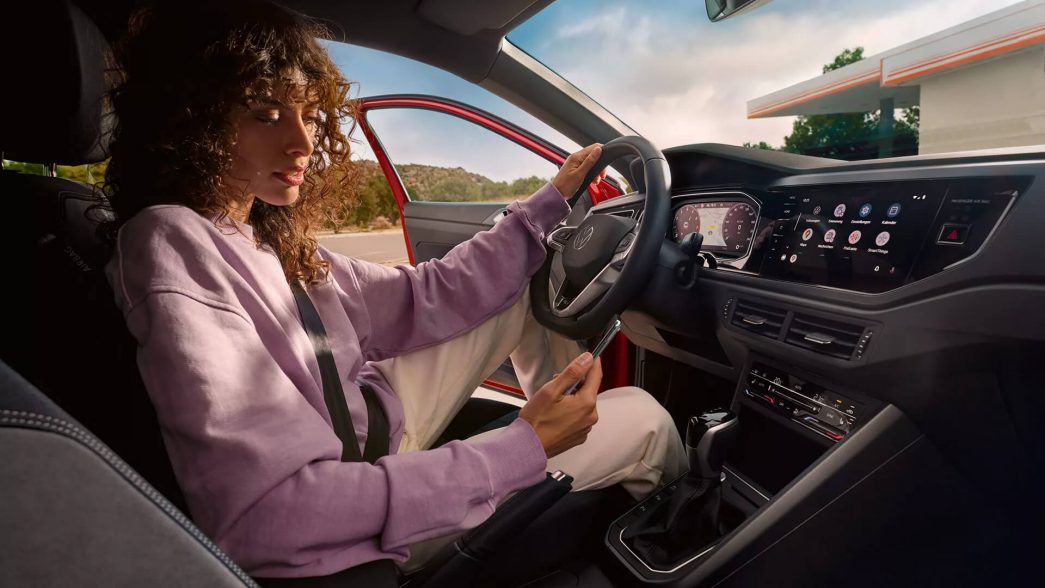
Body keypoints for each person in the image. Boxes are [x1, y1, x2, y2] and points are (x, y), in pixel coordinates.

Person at [101, 0, 686, 580]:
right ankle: (664, 525)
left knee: (526, 276)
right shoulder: (171, 242)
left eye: (306, 114)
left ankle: (563, 441)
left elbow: (426, 295)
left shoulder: (259, 240)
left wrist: (544, 206)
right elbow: (268, 515)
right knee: (647, 417)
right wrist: (518, 449)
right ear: (189, 117)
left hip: (372, 431)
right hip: (350, 521)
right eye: (265, 113)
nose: (303, 143)